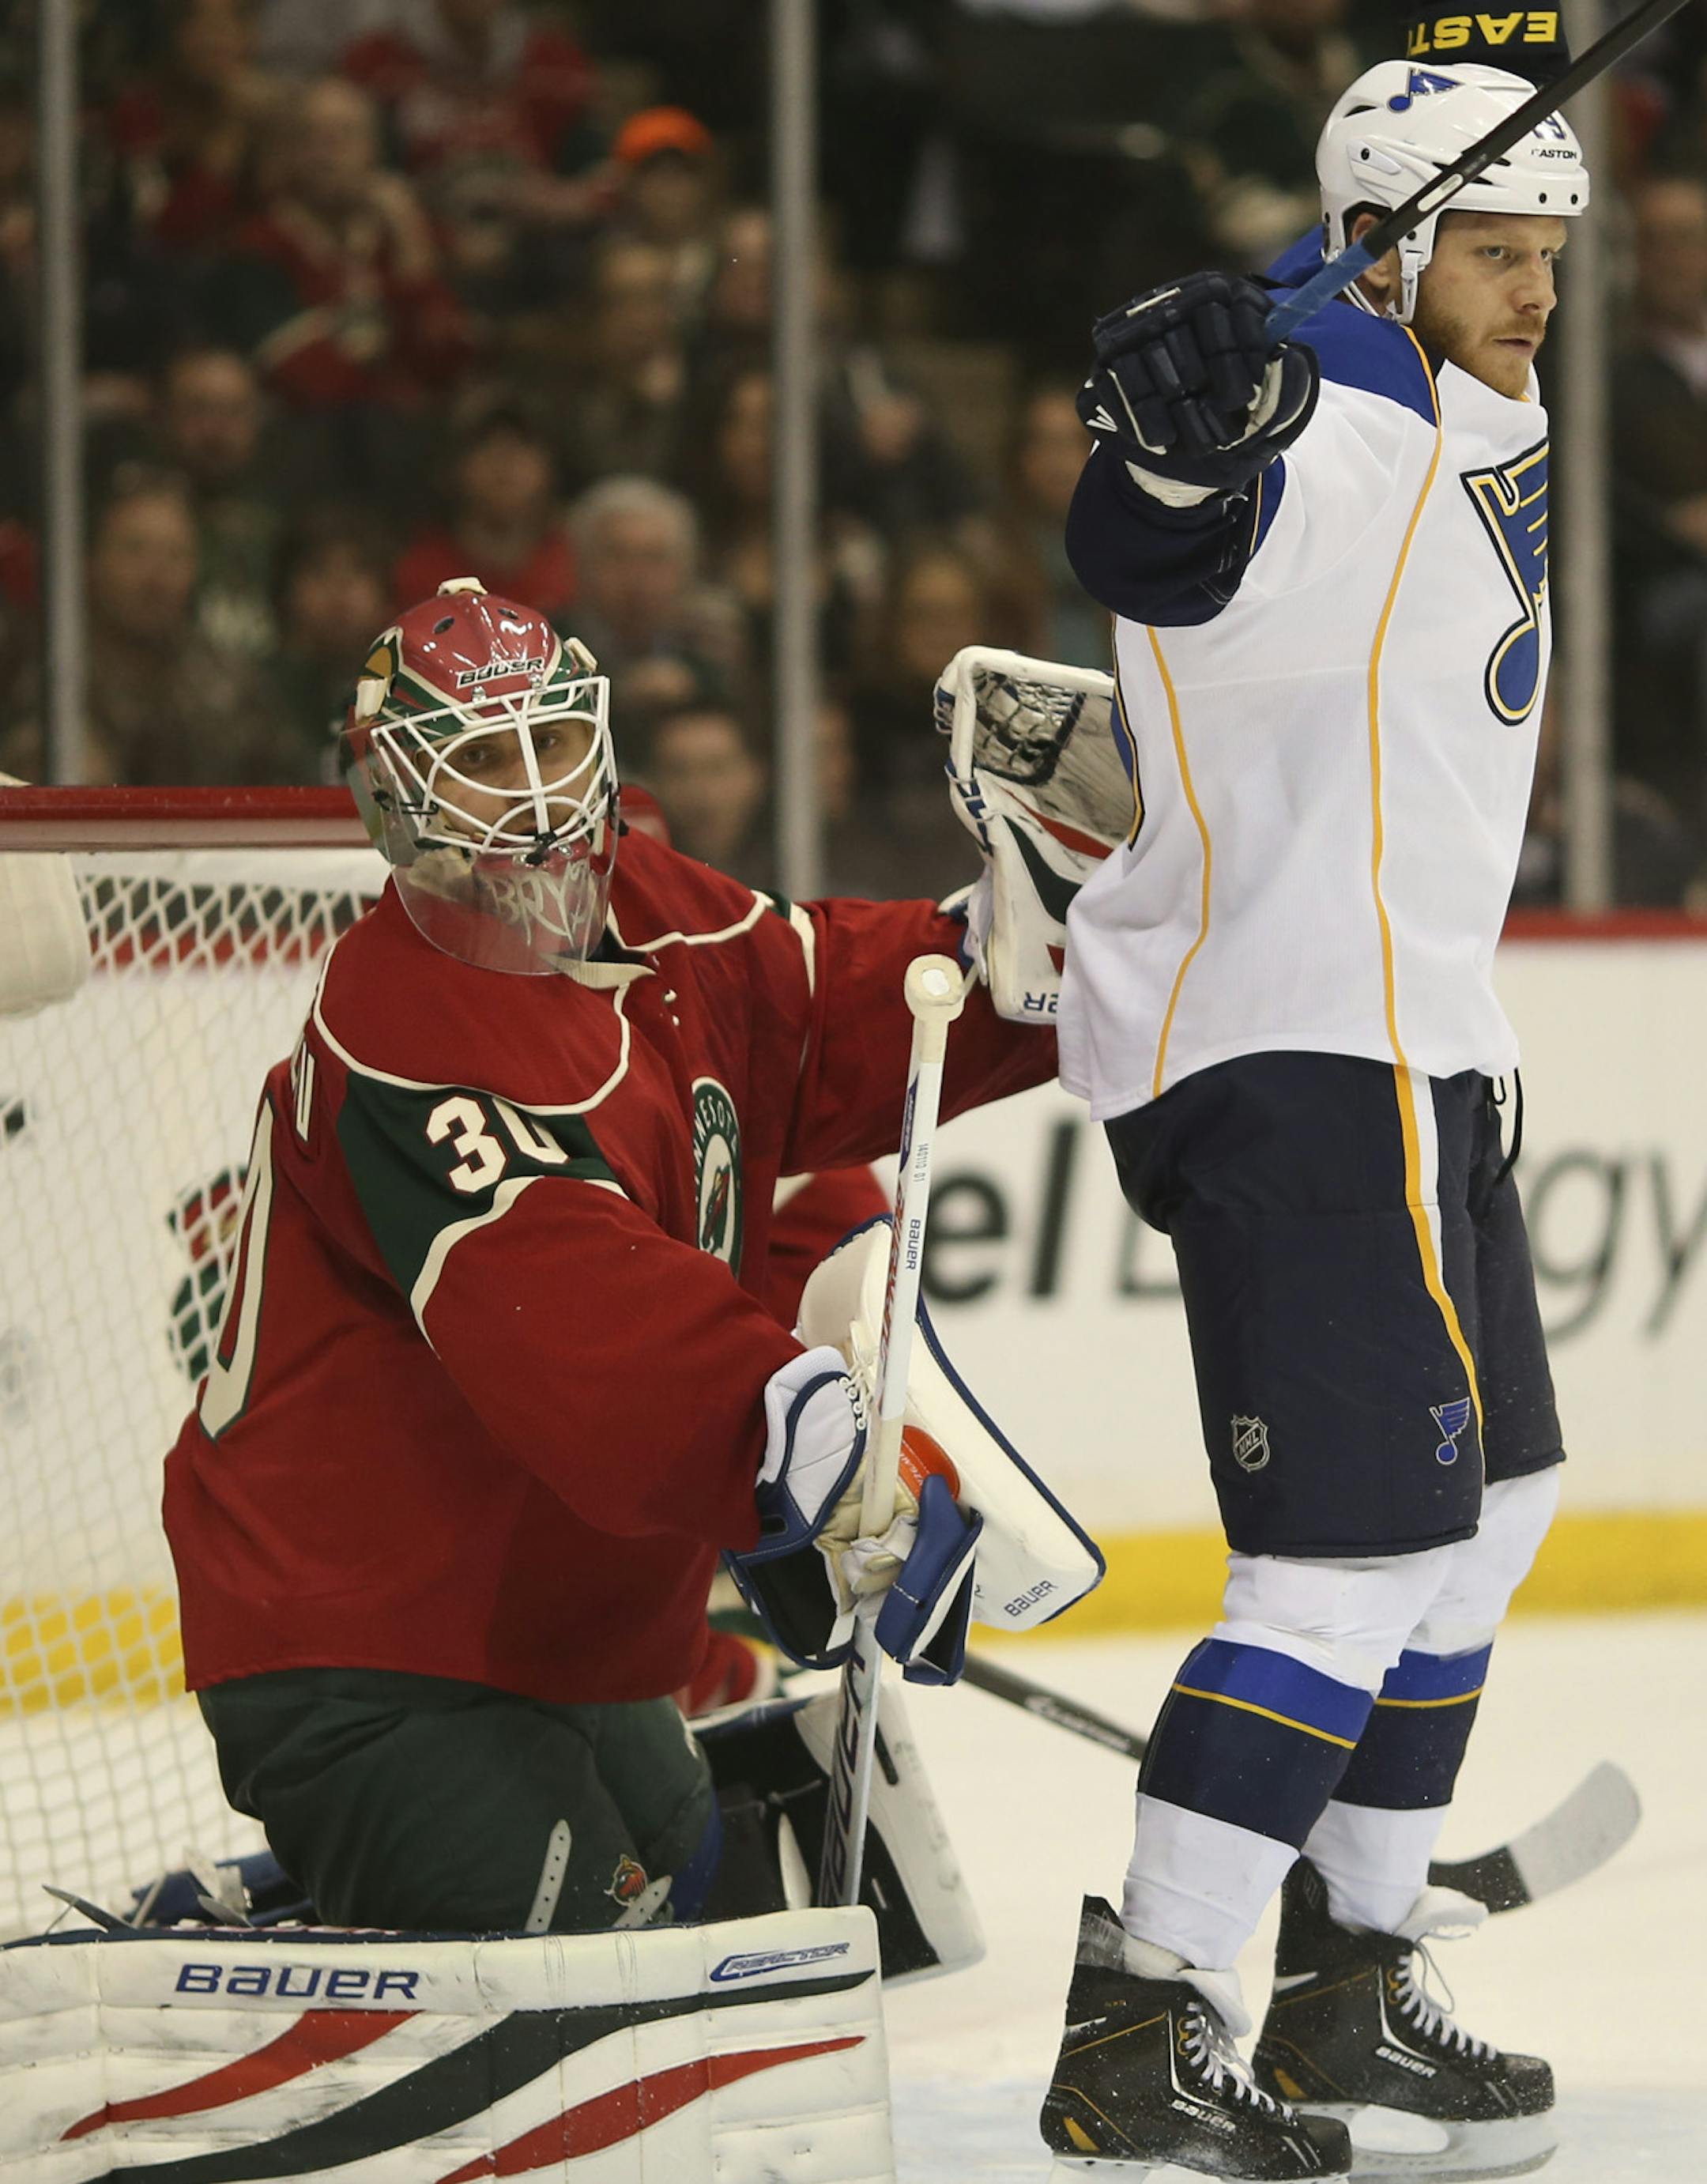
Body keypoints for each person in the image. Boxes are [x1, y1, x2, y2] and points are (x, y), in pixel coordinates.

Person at [160, 577, 1063, 1939]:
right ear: (401, 801)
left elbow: (820, 1005)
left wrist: (1024, 952)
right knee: (597, 1986)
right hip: (363, 1638)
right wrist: (802, 1440)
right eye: (480, 762)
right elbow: (571, 1308)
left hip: (556, 1620)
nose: (531, 800)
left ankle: (280, 1899)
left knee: (691, 1897)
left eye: (551, 745)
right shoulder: (400, 1017)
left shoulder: (650, 901)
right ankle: (284, 1910)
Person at [1030, 37, 1591, 2184]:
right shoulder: (1339, 396)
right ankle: (1144, 2020)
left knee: (1500, 1500)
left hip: (1421, 1042)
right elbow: (1172, 531)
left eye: (1553, 254)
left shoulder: (1427, 370)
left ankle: (1350, 1982)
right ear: (1399, 248)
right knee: (1349, 1563)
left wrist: (1321, 282)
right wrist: (1179, 455)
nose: (1537, 293)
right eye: (1498, 253)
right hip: (1298, 1046)